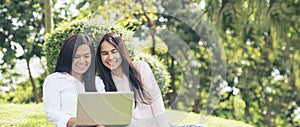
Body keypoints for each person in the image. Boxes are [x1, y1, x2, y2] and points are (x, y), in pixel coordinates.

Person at [95, 32, 169, 127]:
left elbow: (158, 107)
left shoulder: (141, 68)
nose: (110, 57)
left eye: (114, 51)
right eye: (105, 53)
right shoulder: (102, 83)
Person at [43, 34, 105, 127]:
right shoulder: (54, 80)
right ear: (68, 57)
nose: (82, 61)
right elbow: (52, 112)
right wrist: (78, 122)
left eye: (86, 56)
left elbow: (103, 111)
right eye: (76, 56)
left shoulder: (97, 81)